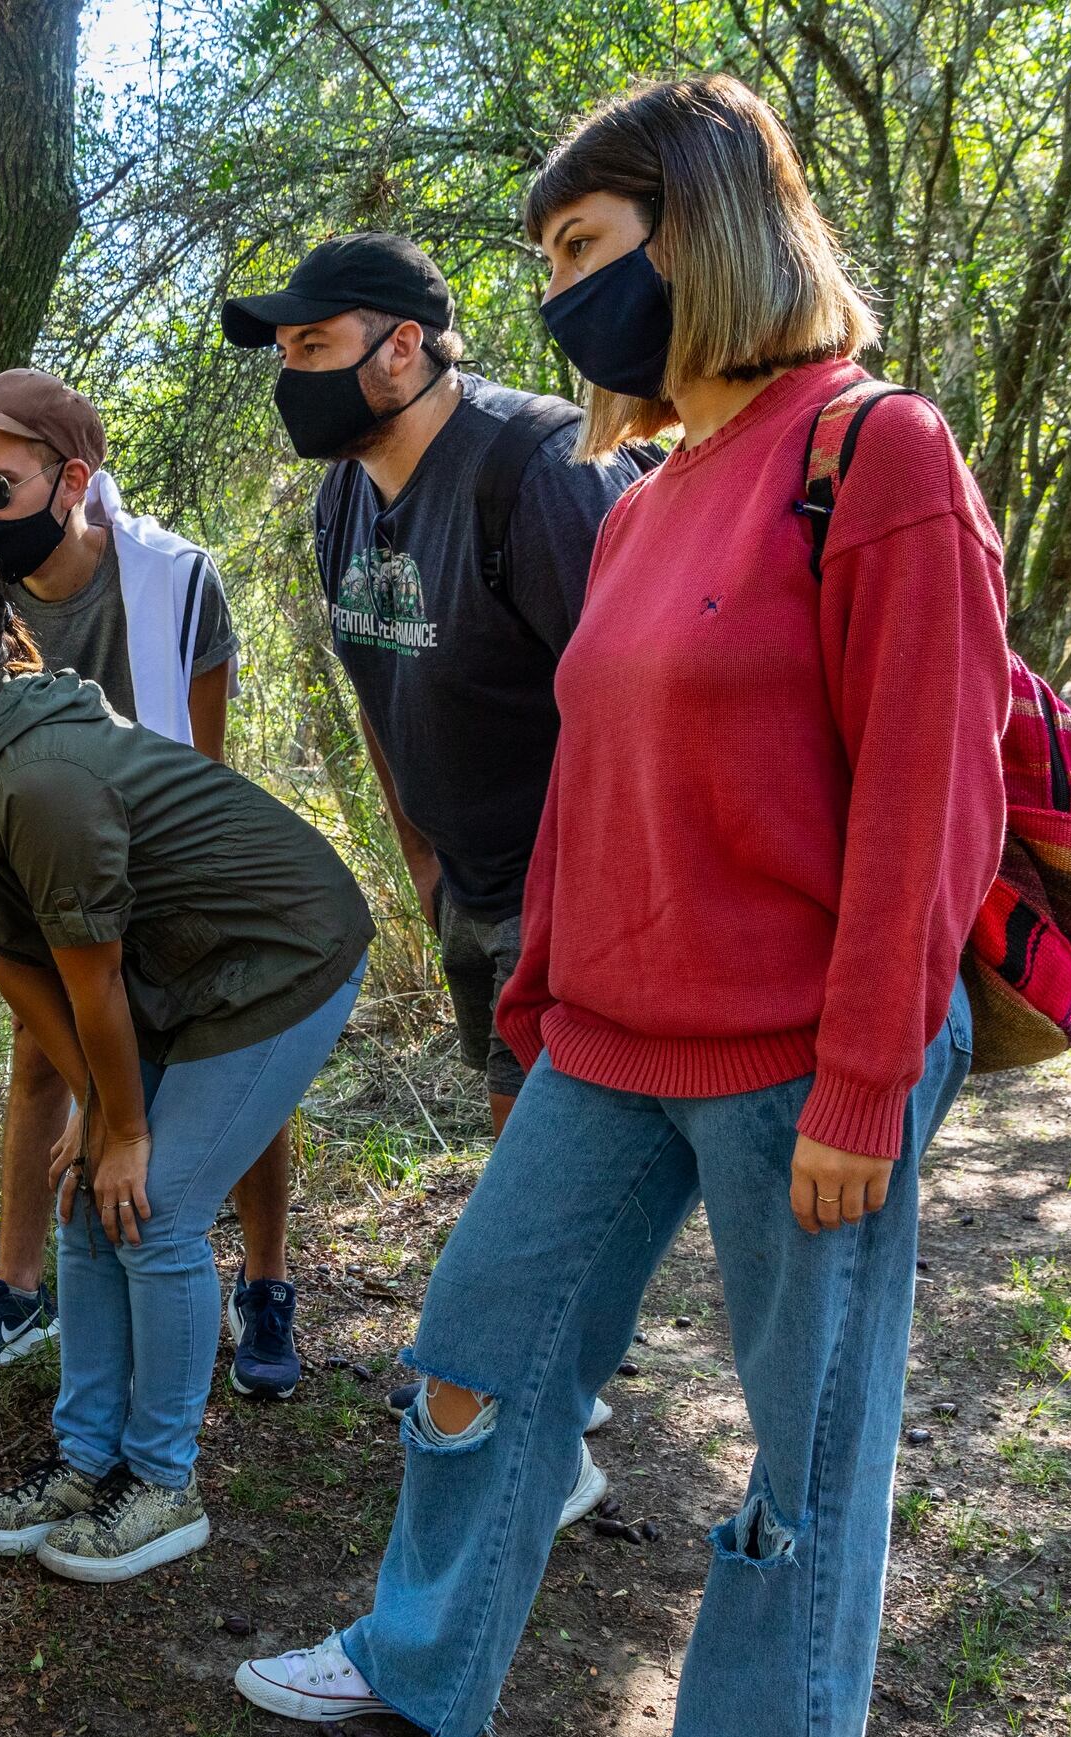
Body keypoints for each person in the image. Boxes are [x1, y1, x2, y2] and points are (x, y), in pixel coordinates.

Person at [233, 75, 1008, 1737]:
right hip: (606, 1038)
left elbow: (927, 790)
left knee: (808, 1417)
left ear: (709, 223)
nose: (563, 290)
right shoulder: (641, 495)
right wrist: (534, 992)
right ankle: (419, 1654)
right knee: (478, 1351)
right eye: (549, 258)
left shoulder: (874, 451)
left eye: (586, 245)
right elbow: (592, 773)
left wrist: (871, 1075)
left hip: (800, 1054)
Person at [0, 533, 374, 1584]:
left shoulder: (39, 779)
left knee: (155, 1202)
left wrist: (125, 1125)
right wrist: (92, 1110)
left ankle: (163, 1483)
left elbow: (95, 978)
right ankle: (86, 1460)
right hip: (181, 970)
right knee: (84, 1194)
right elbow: (20, 965)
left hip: (280, 954)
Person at [228, 234, 644, 1450]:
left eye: (314, 346)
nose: (290, 375)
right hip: (465, 873)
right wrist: (422, 860)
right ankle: (535, 1372)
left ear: (401, 345)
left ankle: (524, 1407)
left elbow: (624, 697)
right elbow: (376, 687)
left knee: (542, 1155)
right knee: (520, 1135)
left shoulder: (542, 464)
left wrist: (573, 898)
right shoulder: (341, 496)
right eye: (284, 351)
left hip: (575, 876)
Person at [0, 369, 301, 1400]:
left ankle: (265, 1282)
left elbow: (205, 757)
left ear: (71, 478)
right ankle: (17, 1287)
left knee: (233, 1045)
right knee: (44, 1054)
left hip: (171, 843)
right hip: (54, 852)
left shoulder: (171, 578)